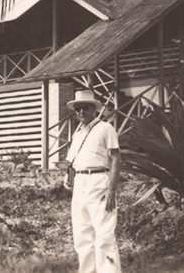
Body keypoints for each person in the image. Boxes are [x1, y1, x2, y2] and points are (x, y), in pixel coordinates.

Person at [65, 90, 122, 273]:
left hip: (99, 181)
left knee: (104, 234)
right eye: (78, 109)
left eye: (85, 108)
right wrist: (69, 178)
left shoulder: (105, 128)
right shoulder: (77, 133)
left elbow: (116, 159)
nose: (81, 112)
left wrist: (112, 190)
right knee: (82, 235)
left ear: (94, 109)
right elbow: (71, 162)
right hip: (80, 183)